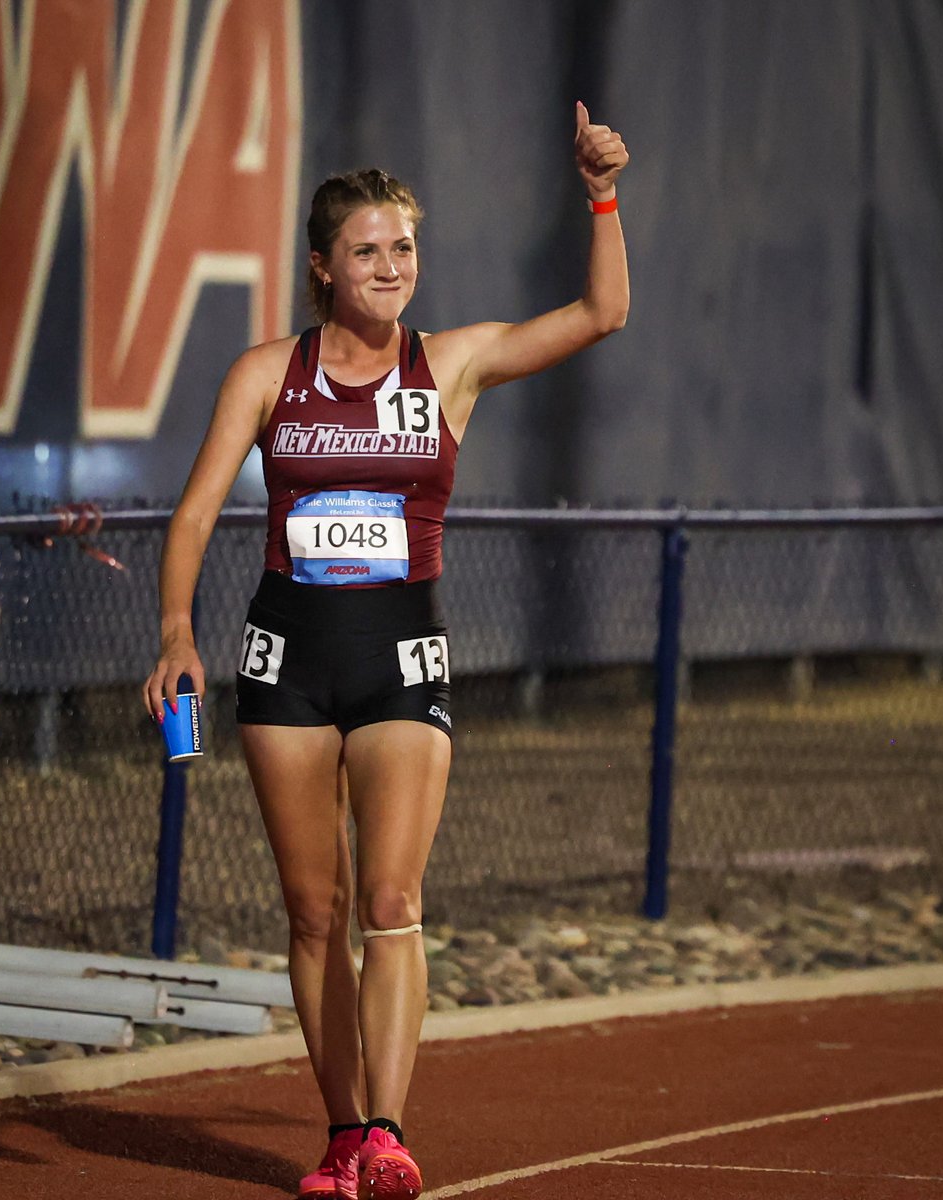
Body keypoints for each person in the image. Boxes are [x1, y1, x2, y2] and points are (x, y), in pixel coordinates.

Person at [144, 102, 628, 1200]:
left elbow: (604, 312)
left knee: (392, 899)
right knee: (313, 910)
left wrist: (601, 193)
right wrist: (176, 632)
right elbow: (192, 514)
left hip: (401, 656)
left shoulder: (449, 367)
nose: (390, 265)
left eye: (404, 247)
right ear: (323, 267)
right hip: (286, 663)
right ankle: (339, 1133)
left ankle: (389, 1137)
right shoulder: (268, 374)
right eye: (366, 250)